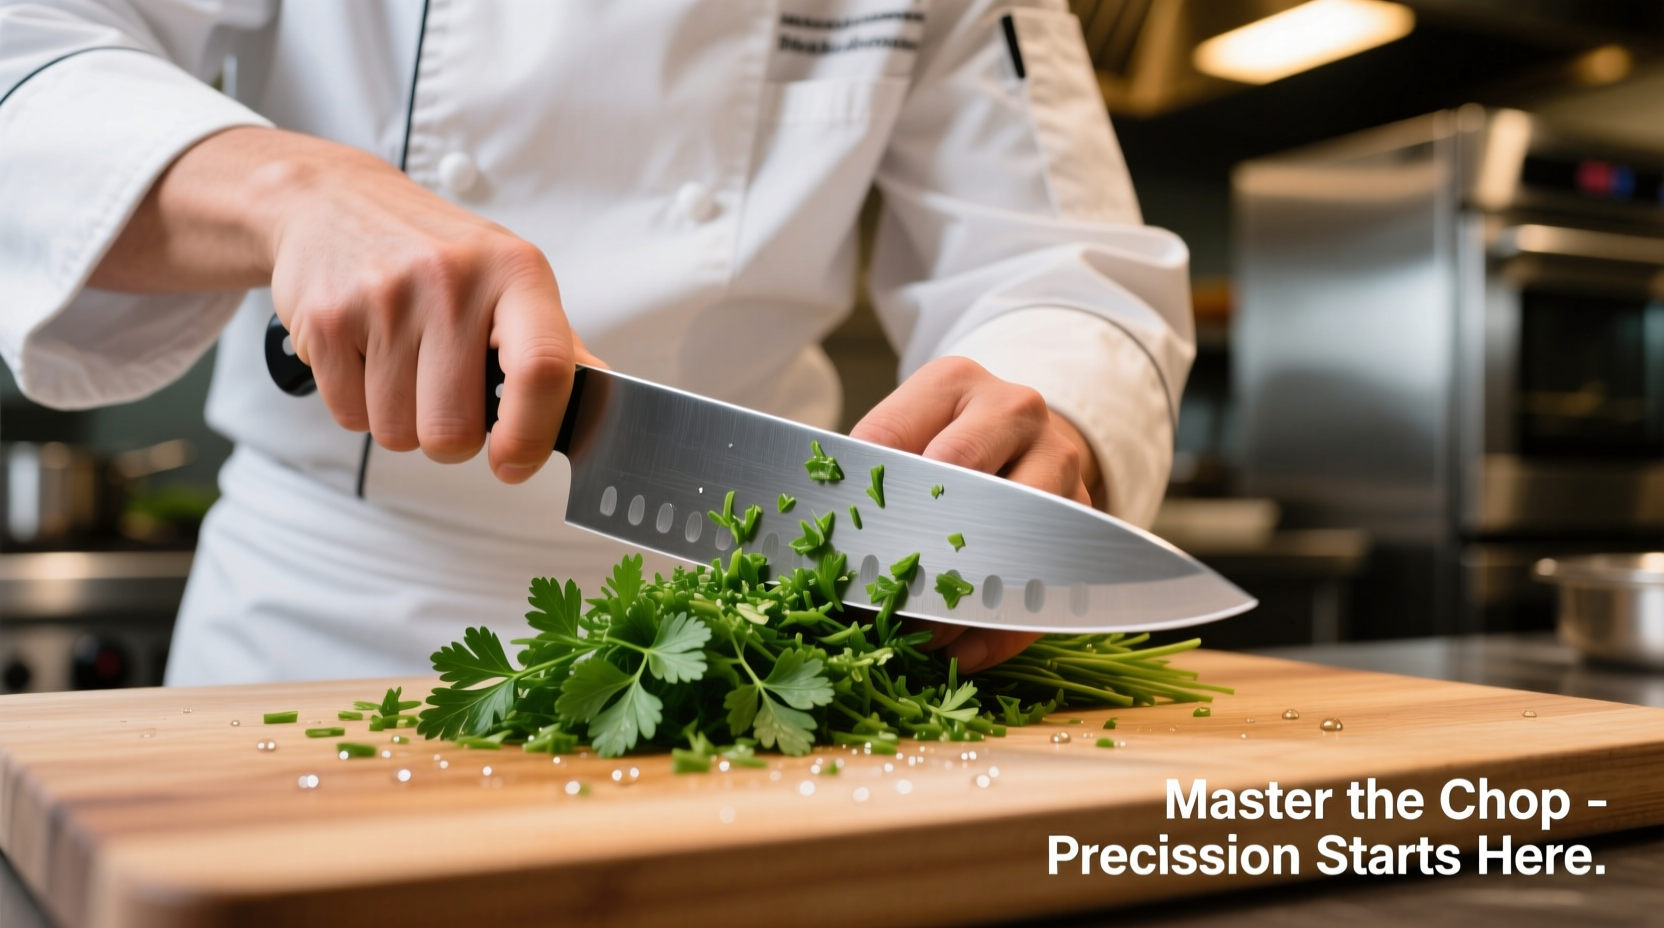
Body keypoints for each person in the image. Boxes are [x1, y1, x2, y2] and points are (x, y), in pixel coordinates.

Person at [0, 1, 1194, 684]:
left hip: (739, 642)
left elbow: (1053, 250)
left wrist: (1048, 409)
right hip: (318, 631)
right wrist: (291, 190)